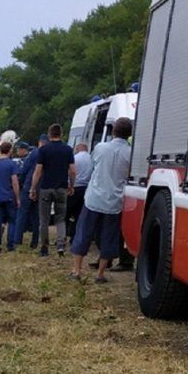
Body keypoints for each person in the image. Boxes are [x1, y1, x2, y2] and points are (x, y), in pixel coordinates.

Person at [70, 118, 133, 283]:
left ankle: (76, 270)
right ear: (129, 135)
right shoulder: (130, 153)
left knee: (83, 233)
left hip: (94, 198)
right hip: (114, 202)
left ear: (113, 131)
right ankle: (100, 274)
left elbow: (93, 166)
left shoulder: (100, 148)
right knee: (109, 237)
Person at [30, 124, 75, 257]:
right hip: (61, 187)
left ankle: (44, 247)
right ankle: (60, 245)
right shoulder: (68, 150)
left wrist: (33, 188)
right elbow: (72, 171)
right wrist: (71, 185)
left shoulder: (44, 150)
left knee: (44, 219)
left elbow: (38, 171)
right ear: (61, 134)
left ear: (49, 134)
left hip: (46, 187)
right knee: (60, 218)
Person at [13, 135, 46, 247]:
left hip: (28, 187)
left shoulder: (35, 153)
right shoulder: (48, 154)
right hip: (41, 188)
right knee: (36, 216)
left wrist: (21, 183)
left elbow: (25, 169)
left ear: (40, 142)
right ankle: (35, 242)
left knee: (22, 214)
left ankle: (17, 240)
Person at [0, 142, 20, 252]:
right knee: (12, 221)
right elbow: (15, 182)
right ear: (10, 150)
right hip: (9, 197)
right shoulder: (11, 164)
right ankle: (10, 245)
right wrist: (18, 197)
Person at [67, 143, 93, 241]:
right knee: (79, 214)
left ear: (77, 149)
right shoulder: (91, 159)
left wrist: (69, 185)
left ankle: (65, 234)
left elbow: (70, 172)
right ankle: (75, 236)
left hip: (75, 187)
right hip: (86, 188)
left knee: (68, 212)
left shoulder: (75, 158)